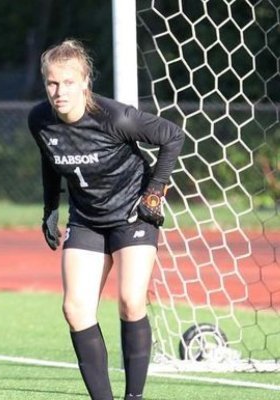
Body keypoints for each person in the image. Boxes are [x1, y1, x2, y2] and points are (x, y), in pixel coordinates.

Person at [28, 39, 185, 400]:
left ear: (85, 82)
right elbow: (50, 157)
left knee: (131, 300)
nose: (59, 91)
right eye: (52, 83)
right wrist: (51, 207)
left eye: (68, 82)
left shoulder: (115, 117)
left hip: (132, 214)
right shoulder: (39, 118)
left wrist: (155, 192)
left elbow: (171, 136)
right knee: (75, 309)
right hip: (86, 218)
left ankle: (134, 397)